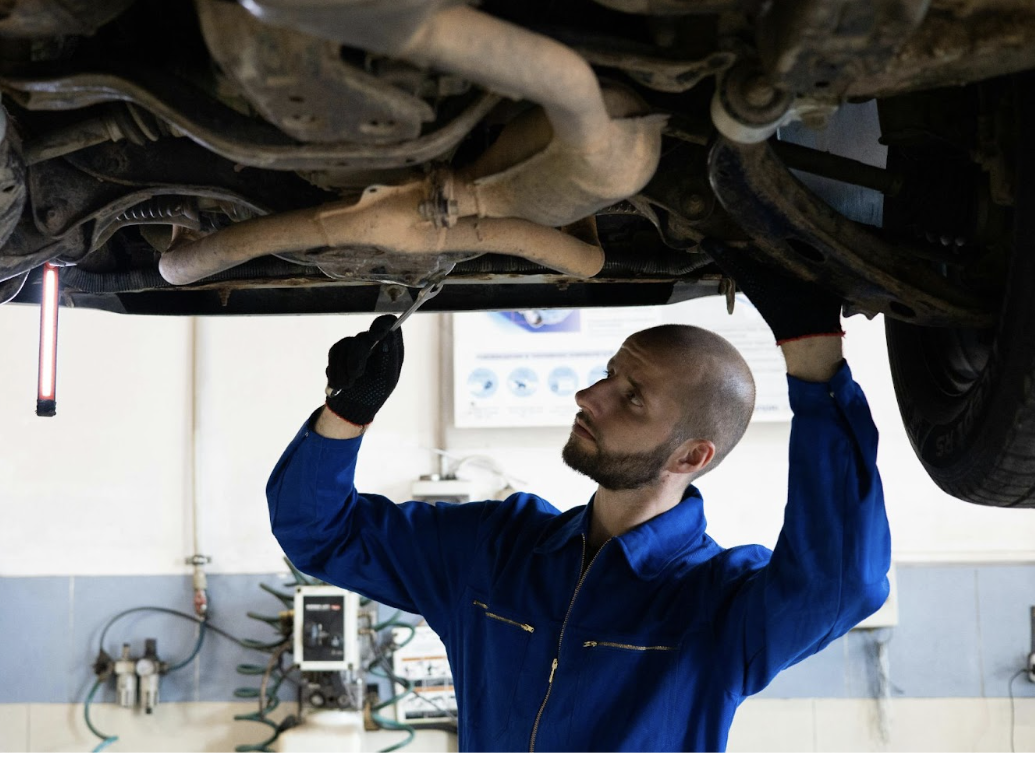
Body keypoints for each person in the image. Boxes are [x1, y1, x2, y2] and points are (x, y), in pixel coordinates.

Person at [266, 248, 891, 752]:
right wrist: (347, 412)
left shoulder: (718, 605)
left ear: (690, 456)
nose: (589, 397)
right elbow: (319, 532)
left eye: (632, 397)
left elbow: (840, 585)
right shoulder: (495, 550)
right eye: (608, 375)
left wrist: (813, 359)